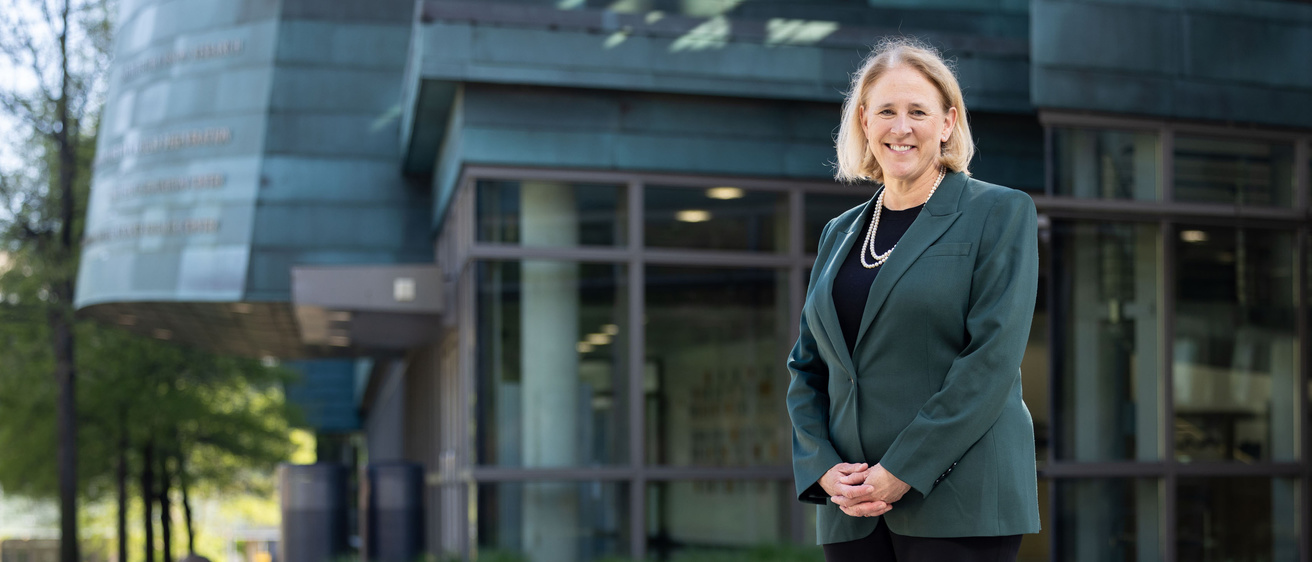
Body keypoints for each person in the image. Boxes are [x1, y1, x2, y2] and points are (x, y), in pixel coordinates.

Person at [786, 37, 1040, 562]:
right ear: (863, 121)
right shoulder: (840, 233)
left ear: (947, 123)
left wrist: (901, 471)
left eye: (918, 112)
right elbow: (808, 368)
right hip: (851, 507)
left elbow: (989, 362)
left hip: (960, 502)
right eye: (886, 111)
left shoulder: (999, 212)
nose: (901, 127)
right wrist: (822, 468)